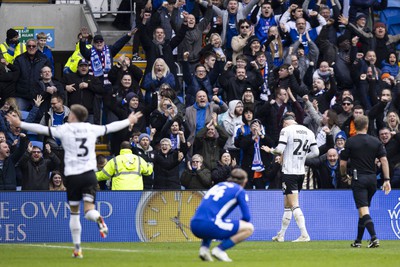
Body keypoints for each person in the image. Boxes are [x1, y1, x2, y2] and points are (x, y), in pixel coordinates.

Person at [6, 104, 142, 258]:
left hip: (73, 176)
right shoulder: (91, 128)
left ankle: (77, 249)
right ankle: (98, 218)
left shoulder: (65, 129)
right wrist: (129, 120)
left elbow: (42, 129)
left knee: (75, 214)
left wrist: (20, 124)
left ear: (73, 117)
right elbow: (110, 127)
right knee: (89, 210)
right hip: (90, 175)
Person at [261, 114, 319, 242]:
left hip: (289, 172)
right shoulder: (309, 131)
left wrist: (270, 150)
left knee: (294, 204)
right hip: (300, 172)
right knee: (287, 204)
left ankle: (304, 234)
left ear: (285, 123)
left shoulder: (286, 130)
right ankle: (281, 235)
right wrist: (302, 157)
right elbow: (316, 153)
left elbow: (279, 149)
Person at [340, 115, 391, 248]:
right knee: (363, 210)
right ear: (367, 126)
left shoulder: (351, 142)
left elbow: (342, 163)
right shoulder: (376, 141)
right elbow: (384, 161)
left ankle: (374, 238)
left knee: (363, 210)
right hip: (372, 180)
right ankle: (358, 241)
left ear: (354, 126)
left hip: (359, 179)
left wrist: (344, 175)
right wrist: (386, 180)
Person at [190, 168, 254, 262]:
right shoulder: (239, 191)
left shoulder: (218, 185)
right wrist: (235, 228)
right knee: (249, 228)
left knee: (212, 219)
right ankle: (219, 250)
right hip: (209, 225)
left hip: (194, 224)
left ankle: (204, 249)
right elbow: (247, 217)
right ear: (245, 181)